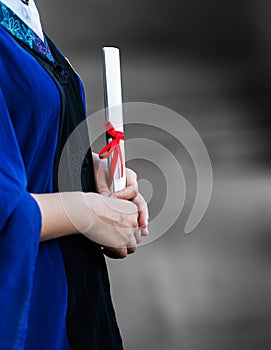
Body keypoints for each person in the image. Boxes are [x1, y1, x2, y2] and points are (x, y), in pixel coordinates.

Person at [0, 0, 149, 349]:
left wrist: (87, 172)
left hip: (78, 299)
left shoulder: (21, 12)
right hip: (31, 313)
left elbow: (22, 137)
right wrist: (84, 212)